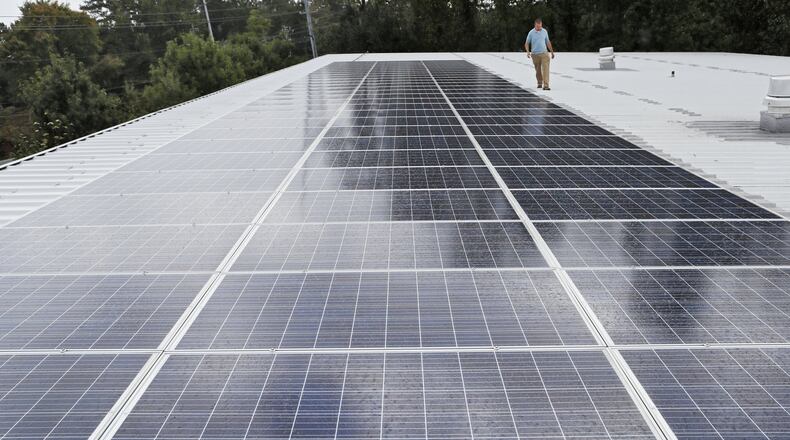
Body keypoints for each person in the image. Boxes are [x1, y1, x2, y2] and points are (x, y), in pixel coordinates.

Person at [525, 18, 555, 90]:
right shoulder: (531, 32)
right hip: (535, 54)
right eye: (537, 26)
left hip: (544, 53)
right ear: (535, 25)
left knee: (546, 69)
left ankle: (546, 85)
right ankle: (539, 82)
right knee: (538, 70)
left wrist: (552, 52)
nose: (539, 28)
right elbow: (527, 43)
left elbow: (548, 42)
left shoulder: (544, 31)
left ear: (541, 24)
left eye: (540, 26)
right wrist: (528, 52)